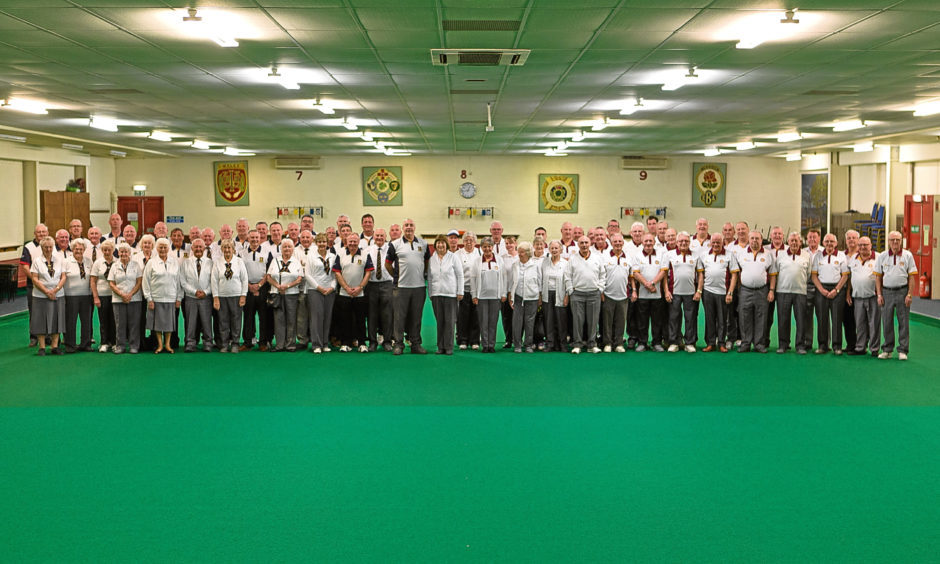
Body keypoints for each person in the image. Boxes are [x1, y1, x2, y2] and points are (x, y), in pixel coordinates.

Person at [385, 218, 430, 355]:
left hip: (419, 287)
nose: (409, 227)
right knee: (399, 317)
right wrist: (397, 277)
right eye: (406, 225)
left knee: (416, 317)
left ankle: (415, 344)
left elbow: (426, 262)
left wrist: (420, 274)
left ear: (415, 227)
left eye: (411, 225)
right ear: (402, 228)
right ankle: (398, 344)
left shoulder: (423, 244)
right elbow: (388, 264)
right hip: (401, 287)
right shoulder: (395, 244)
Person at [875, 231, 917, 360]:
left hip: (902, 292)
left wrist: (909, 294)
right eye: (892, 239)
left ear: (901, 241)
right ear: (888, 241)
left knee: (903, 322)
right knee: (886, 321)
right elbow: (878, 277)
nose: (895, 242)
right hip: (886, 292)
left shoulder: (908, 255)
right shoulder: (882, 256)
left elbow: (912, 277)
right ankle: (887, 350)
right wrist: (879, 295)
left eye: (897, 240)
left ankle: (903, 350)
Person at [736, 230, 777, 353]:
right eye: (752, 238)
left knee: (762, 317)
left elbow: (773, 274)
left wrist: (771, 290)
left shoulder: (768, 254)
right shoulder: (741, 254)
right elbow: (737, 273)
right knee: (744, 317)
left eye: (757, 238)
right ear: (748, 240)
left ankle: (759, 344)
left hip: (762, 290)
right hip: (745, 290)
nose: (754, 240)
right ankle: (745, 343)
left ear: (761, 240)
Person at [333, 232, 373, 352]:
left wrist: (360, 287)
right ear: (346, 242)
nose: (352, 243)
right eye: (350, 241)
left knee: (360, 320)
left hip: (360, 293)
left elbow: (368, 272)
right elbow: (337, 272)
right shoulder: (340, 254)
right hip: (344, 293)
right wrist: (346, 287)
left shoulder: (365, 254)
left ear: (358, 242)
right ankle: (346, 343)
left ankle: (362, 343)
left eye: (355, 241)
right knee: (345, 320)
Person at [564, 235, 604, 354]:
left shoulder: (597, 258)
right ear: (578, 245)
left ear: (590, 243)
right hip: (577, 294)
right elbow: (567, 276)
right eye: (582, 243)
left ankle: (592, 344)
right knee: (577, 320)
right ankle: (577, 344)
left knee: (593, 321)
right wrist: (570, 290)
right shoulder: (573, 259)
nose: (584, 245)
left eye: (586, 242)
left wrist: (600, 289)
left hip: (594, 293)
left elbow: (602, 275)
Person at [698, 233, 737, 352]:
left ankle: (721, 343)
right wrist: (700, 290)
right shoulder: (704, 255)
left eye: (718, 242)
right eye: (713, 242)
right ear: (710, 243)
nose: (715, 244)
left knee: (722, 319)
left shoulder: (729, 255)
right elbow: (701, 274)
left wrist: (730, 292)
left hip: (723, 293)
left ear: (722, 242)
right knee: (709, 318)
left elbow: (734, 275)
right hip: (707, 291)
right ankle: (710, 343)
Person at [811, 233, 849, 355]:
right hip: (821, 289)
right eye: (827, 241)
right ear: (823, 243)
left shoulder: (842, 256)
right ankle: (823, 345)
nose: (829, 244)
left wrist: (836, 290)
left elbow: (845, 276)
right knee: (822, 318)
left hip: (837, 290)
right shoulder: (818, 256)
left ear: (836, 243)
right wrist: (821, 290)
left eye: (832, 241)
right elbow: (814, 276)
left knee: (837, 319)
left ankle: (837, 346)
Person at [143, 238, 182, 354]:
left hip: (171, 298)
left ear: (168, 248)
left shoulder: (174, 262)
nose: (163, 249)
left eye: (165, 247)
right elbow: (146, 281)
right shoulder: (151, 262)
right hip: (156, 298)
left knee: (169, 323)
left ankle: (168, 345)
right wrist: (149, 298)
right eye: (160, 247)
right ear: (156, 248)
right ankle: (160, 345)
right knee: (158, 324)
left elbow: (178, 281)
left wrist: (179, 297)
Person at [774, 232, 811, 354]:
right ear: (788, 242)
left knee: (801, 320)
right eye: (792, 240)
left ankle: (800, 345)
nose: (794, 243)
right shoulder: (780, 255)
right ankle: (783, 345)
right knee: (783, 319)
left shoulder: (807, 255)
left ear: (800, 242)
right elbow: (777, 271)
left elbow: (808, 273)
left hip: (800, 292)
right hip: (783, 291)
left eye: (796, 240)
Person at [29, 236, 66, 356]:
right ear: (41, 248)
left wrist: (55, 290)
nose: (48, 249)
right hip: (40, 295)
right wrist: (46, 291)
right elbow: (35, 278)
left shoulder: (59, 259)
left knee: (57, 319)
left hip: (58, 294)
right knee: (40, 320)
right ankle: (42, 347)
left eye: (50, 247)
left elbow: (63, 277)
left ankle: (55, 346)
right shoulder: (37, 261)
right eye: (46, 247)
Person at [266, 239, 304, 352]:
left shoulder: (296, 262)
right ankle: (279, 345)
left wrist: (287, 286)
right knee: (279, 320)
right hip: (276, 293)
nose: (287, 249)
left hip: (292, 294)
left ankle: (290, 345)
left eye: (289, 247)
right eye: (285, 247)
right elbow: (268, 277)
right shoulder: (275, 260)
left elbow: (299, 278)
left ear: (293, 249)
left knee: (291, 319)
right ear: (281, 249)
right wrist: (278, 286)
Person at [663, 232, 699, 353]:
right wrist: (666, 291)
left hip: (691, 293)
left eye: (686, 241)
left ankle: (689, 343)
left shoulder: (695, 255)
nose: (683, 243)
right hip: (674, 292)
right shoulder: (669, 255)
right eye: (681, 241)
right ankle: (674, 342)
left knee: (690, 318)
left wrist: (699, 291)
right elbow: (664, 275)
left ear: (689, 242)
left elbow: (700, 274)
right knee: (673, 318)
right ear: (677, 242)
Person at [428, 234, 463, 355]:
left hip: (450, 294)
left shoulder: (453, 257)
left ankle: (448, 347)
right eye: (438, 243)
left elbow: (460, 275)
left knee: (449, 321)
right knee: (440, 322)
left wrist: (460, 291)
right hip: (436, 294)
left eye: (442, 243)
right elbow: (430, 277)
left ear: (446, 244)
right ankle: (440, 347)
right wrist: (431, 293)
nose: (440, 245)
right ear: (435, 245)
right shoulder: (432, 259)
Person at [211, 239, 249, 353]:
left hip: (236, 296)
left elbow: (244, 279)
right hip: (222, 296)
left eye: (229, 248)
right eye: (225, 248)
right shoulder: (218, 262)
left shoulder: (239, 261)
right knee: (223, 321)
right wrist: (215, 297)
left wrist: (243, 295)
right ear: (222, 249)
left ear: (233, 249)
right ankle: (224, 344)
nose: (227, 250)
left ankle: (235, 344)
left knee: (236, 320)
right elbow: (214, 280)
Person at [631, 233, 667, 352]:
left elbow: (663, 272)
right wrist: (647, 284)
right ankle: (642, 343)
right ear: (642, 242)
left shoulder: (661, 254)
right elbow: (635, 273)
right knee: (642, 320)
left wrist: (652, 283)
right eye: (646, 241)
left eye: (650, 241)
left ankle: (657, 343)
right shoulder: (637, 256)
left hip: (657, 294)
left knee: (657, 321)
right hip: (642, 295)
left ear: (654, 242)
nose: (648, 243)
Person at [846, 236, 880, 356]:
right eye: (860, 245)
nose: (862, 247)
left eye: (865, 245)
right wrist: (848, 293)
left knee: (874, 323)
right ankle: (860, 347)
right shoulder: (853, 259)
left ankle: (874, 348)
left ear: (871, 245)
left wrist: (880, 294)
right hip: (857, 297)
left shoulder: (878, 258)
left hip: (873, 296)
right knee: (860, 323)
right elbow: (849, 278)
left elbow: (882, 276)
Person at [470, 237, 505, 354]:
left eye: (489, 246)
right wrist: (474, 295)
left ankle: (491, 345)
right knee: (483, 322)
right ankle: (485, 345)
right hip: (481, 296)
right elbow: (473, 279)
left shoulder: (499, 260)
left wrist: (503, 293)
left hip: (496, 296)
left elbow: (504, 277)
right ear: (481, 248)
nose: (487, 249)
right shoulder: (477, 261)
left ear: (492, 247)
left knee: (493, 322)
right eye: (484, 247)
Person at [304, 232, 338, 354]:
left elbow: (336, 274)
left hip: (329, 290)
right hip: (315, 290)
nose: (322, 244)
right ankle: (316, 344)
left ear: (327, 243)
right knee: (316, 318)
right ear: (316, 243)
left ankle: (325, 343)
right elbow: (307, 274)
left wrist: (332, 287)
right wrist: (318, 287)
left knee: (327, 317)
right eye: (319, 242)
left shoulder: (333, 256)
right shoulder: (311, 256)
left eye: (324, 241)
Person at [108, 242, 143, 354]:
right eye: (121, 252)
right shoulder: (114, 266)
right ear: (118, 253)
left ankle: (134, 346)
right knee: (120, 324)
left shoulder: (136, 265)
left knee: (134, 324)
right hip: (118, 299)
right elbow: (111, 283)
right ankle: (120, 346)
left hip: (135, 299)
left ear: (130, 253)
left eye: (126, 252)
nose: (124, 254)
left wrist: (130, 294)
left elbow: (139, 282)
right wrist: (122, 294)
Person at [180, 239, 214, 352]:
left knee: (206, 321)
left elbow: (213, 280)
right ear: (192, 248)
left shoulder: (210, 262)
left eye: (200, 247)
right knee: (190, 322)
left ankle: (208, 343)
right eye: (196, 247)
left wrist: (206, 292)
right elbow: (183, 281)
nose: (198, 249)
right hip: (191, 297)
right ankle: (190, 343)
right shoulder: (186, 262)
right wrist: (194, 291)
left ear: (204, 248)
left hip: (206, 297)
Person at [239, 229, 269, 351]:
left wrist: (259, 285)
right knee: (248, 316)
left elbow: (269, 272)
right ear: (248, 238)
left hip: (262, 288)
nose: (255, 240)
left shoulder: (267, 253)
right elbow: (240, 272)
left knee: (263, 317)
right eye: (252, 238)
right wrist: (249, 286)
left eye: (257, 237)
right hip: (247, 288)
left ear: (260, 238)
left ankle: (263, 342)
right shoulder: (241, 253)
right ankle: (247, 342)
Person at [509, 241, 541, 353]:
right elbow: (511, 281)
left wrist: (540, 296)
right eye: (519, 252)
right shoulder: (515, 265)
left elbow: (540, 281)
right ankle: (517, 345)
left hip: (532, 298)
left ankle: (528, 345)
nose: (519, 254)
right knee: (517, 322)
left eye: (522, 252)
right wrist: (510, 296)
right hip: (518, 297)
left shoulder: (535, 265)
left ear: (527, 253)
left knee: (529, 322)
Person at [62, 239, 94, 353]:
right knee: (70, 321)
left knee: (86, 321)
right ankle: (70, 345)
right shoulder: (66, 262)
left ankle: (86, 344)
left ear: (84, 249)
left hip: (87, 295)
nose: (79, 251)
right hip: (71, 296)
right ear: (72, 249)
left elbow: (92, 279)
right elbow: (62, 278)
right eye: (76, 249)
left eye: (81, 249)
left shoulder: (89, 261)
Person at [21, 223, 50, 346]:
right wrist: (35, 280)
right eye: (39, 232)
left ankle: (48, 337)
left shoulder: (51, 245)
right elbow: (25, 267)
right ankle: (34, 337)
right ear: (35, 234)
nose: (41, 234)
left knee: (49, 311)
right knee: (35, 312)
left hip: (50, 286)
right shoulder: (29, 247)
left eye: (44, 232)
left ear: (47, 233)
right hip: (33, 286)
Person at [601, 233, 630, 353]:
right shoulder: (604, 257)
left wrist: (633, 291)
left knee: (621, 321)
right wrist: (601, 292)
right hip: (608, 295)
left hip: (623, 296)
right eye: (615, 242)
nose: (618, 244)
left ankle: (619, 343)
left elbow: (631, 277)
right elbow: (601, 276)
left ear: (623, 243)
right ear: (611, 243)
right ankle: (607, 343)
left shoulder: (629, 258)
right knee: (607, 322)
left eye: (620, 241)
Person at [364, 229, 392, 351]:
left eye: (382, 235)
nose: (379, 237)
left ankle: (387, 341)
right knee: (372, 315)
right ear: (373, 237)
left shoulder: (391, 249)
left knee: (387, 315)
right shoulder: (367, 250)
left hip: (387, 283)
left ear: (385, 237)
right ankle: (372, 342)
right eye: (377, 235)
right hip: (372, 284)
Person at [455, 231, 481, 350]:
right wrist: (458, 290)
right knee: (462, 316)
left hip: (477, 290)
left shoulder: (480, 253)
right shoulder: (457, 254)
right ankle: (463, 340)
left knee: (476, 316)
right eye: (466, 240)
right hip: (463, 290)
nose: (469, 242)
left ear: (475, 242)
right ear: (463, 242)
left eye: (471, 240)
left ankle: (475, 340)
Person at [90, 239, 117, 353]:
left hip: (115, 296)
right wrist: (95, 297)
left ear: (113, 250)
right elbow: (93, 281)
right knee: (103, 320)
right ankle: (104, 343)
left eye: (109, 250)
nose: (107, 252)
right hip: (102, 295)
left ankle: (114, 343)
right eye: (104, 250)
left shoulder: (117, 262)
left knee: (114, 320)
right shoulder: (98, 263)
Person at [541, 240, 568, 352]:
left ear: (561, 249)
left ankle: (562, 344)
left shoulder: (565, 263)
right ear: (549, 250)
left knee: (561, 320)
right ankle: (550, 343)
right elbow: (541, 278)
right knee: (549, 320)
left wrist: (567, 295)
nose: (554, 250)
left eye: (556, 248)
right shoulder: (544, 262)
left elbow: (568, 280)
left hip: (560, 294)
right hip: (547, 294)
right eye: (552, 248)